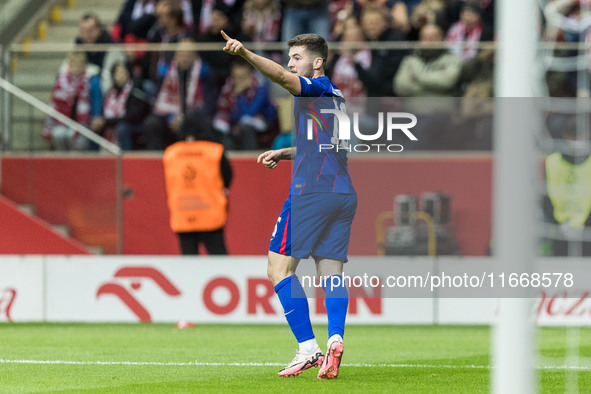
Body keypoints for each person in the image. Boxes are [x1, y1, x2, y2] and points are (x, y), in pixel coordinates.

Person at [222, 31, 357, 379]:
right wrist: (285, 153)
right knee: (330, 272)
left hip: (311, 193)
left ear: (317, 62)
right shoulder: (337, 97)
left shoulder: (318, 87)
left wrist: (245, 54)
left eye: (297, 57)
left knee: (278, 269)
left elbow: (281, 78)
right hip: (342, 195)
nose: (290, 63)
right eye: (290, 56)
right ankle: (336, 339)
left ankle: (307, 348)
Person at [163, 110, 233, 255]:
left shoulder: (171, 153)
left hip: (182, 216)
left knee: (189, 268)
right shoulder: (215, 152)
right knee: (221, 264)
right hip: (211, 216)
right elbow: (227, 178)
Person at [143, 37, 214, 149]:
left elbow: (209, 104)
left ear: (194, 55)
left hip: (193, 116)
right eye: (181, 54)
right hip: (169, 116)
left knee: (201, 122)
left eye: (188, 54)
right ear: (176, 55)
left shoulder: (205, 73)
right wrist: (171, 117)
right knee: (151, 123)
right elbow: (158, 101)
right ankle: (155, 160)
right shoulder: (165, 73)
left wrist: (185, 118)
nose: (184, 58)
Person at [213, 59, 278, 150]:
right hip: (238, 122)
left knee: (245, 127)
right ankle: (229, 159)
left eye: (242, 77)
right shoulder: (228, 88)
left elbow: (248, 113)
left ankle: (251, 159)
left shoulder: (260, 87)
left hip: (264, 122)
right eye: (235, 77)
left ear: (250, 76)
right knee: (221, 128)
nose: (238, 81)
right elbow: (226, 113)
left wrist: (239, 96)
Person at [43, 52, 103, 151]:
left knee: (73, 137)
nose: (77, 68)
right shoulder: (61, 81)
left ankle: (76, 160)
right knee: (58, 134)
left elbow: (96, 100)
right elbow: (54, 102)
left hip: (83, 121)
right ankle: (62, 161)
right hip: (63, 120)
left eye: (79, 65)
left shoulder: (91, 80)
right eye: (74, 65)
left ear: (84, 66)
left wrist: (96, 116)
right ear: (69, 66)